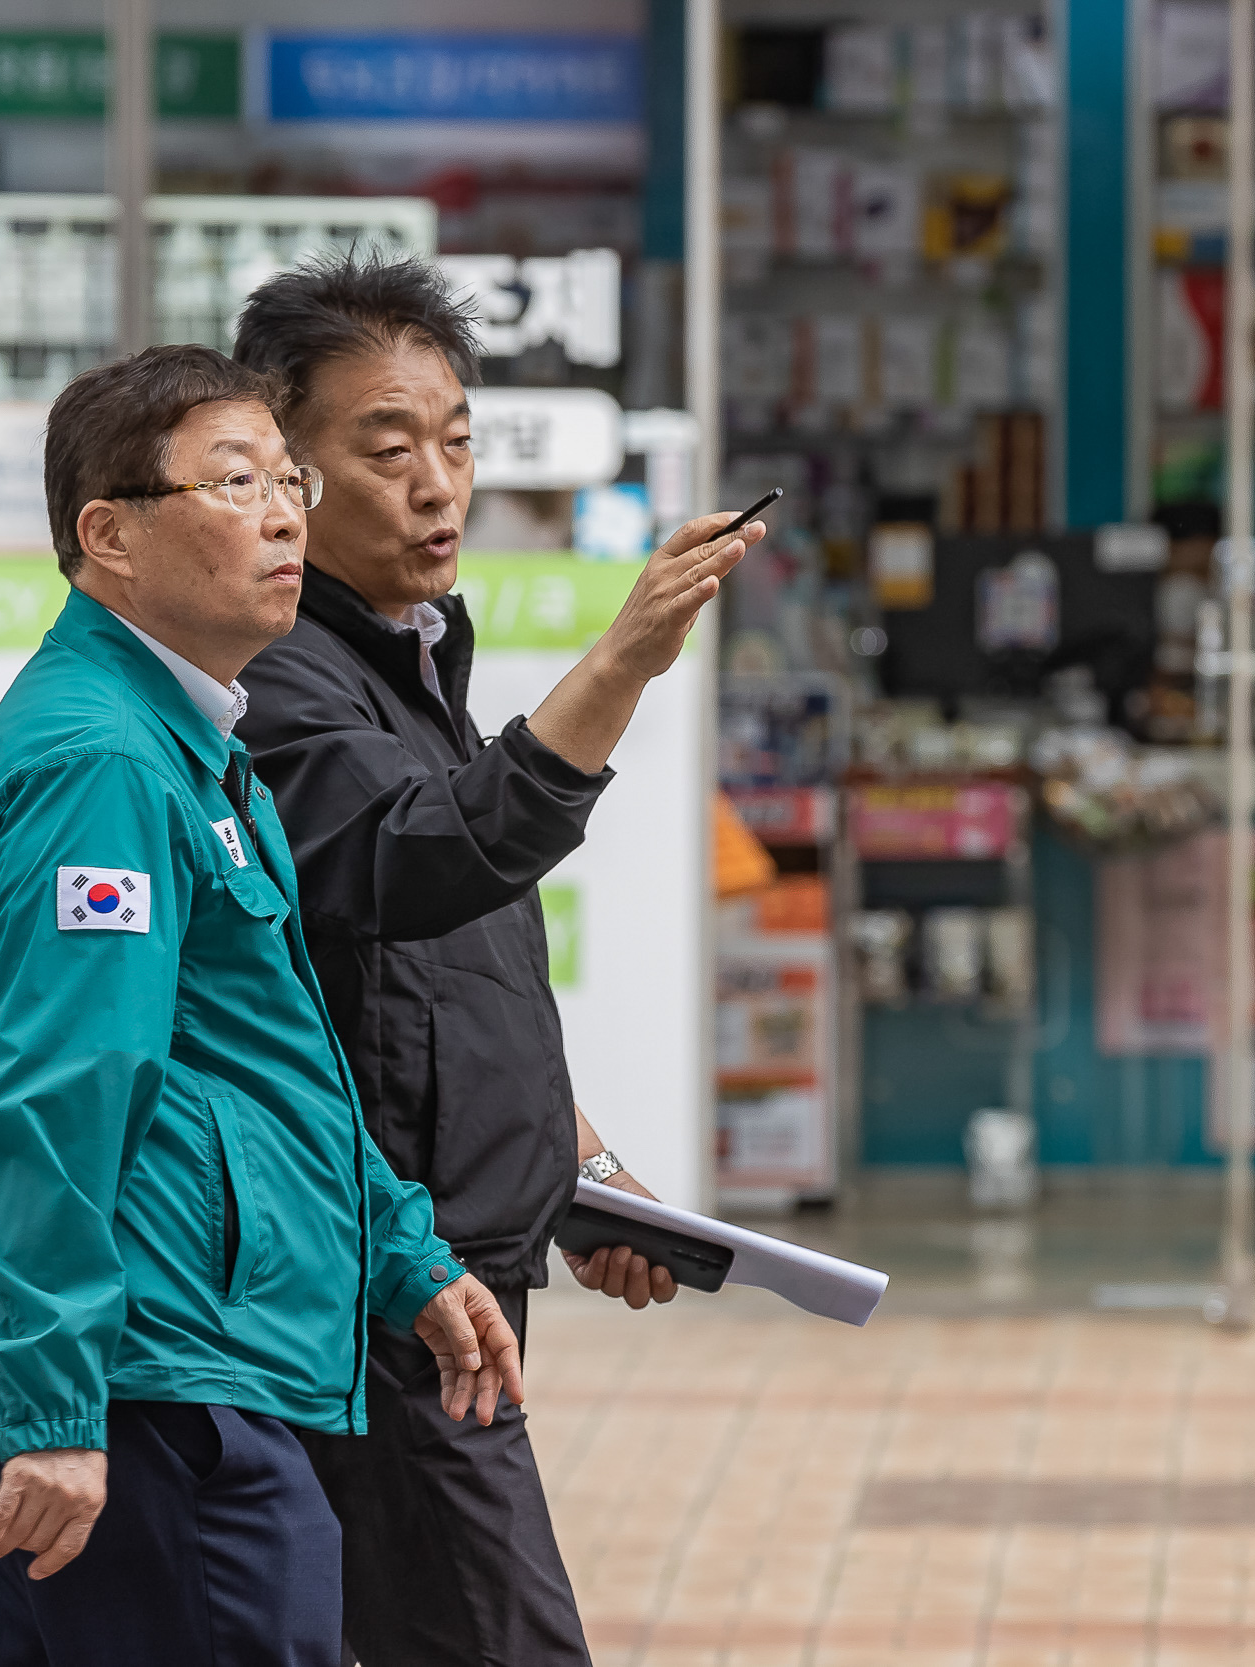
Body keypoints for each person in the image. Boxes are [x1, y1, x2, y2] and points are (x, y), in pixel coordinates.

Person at [0, 344, 526, 1666]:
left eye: (285, 477)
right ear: (108, 537)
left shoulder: (189, 744)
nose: (285, 511)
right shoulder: (105, 766)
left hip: (168, 1373)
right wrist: (61, 1411)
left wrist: (404, 1258)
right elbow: (60, 1097)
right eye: (232, 479)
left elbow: (264, 1060)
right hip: (139, 1389)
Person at [233, 253, 761, 1666]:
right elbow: (433, 855)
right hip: (383, 1294)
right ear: (282, 472)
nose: (436, 483)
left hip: (454, 1275)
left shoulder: (409, 659)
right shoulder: (275, 681)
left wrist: (575, 1178)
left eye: (457, 442)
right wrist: (628, 659)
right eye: (386, 447)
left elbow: (449, 982)